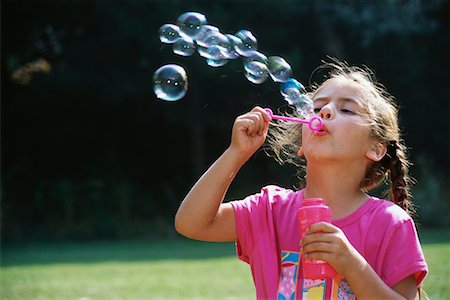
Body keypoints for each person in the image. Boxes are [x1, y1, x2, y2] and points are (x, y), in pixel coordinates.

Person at [174, 60, 428, 299]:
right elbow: (191, 223)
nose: (325, 111)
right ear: (302, 145)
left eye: (347, 109)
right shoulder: (270, 210)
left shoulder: (389, 223)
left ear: (376, 148)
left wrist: (351, 263)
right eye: (316, 108)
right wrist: (236, 153)